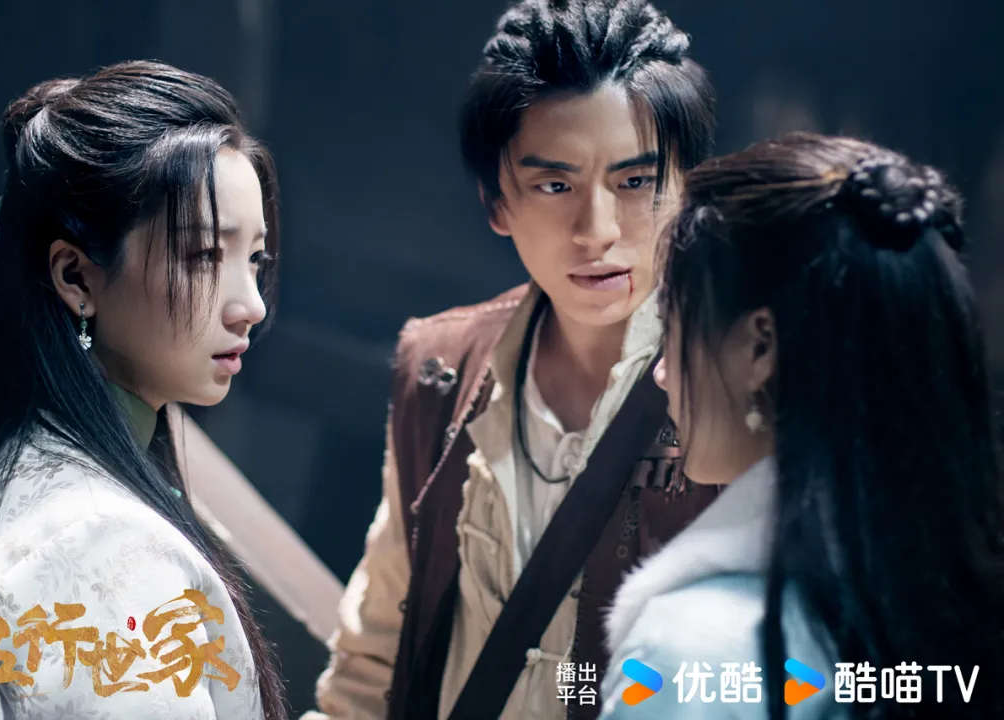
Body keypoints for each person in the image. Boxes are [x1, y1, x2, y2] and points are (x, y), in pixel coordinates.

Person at [304, 1, 717, 719]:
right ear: (497, 202)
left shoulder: (743, 390)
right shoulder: (444, 367)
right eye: (555, 185)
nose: (597, 231)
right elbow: (373, 659)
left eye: (635, 182)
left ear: (689, 191)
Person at [0, 61, 288, 719]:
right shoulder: (97, 542)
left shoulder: (50, 480)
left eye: (254, 259)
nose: (251, 306)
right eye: (206, 256)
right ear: (77, 278)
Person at [600, 133, 1004, 719]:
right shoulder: (957, 610)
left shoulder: (690, 653)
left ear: (759, 345)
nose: (663, 373)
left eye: (676, 325)